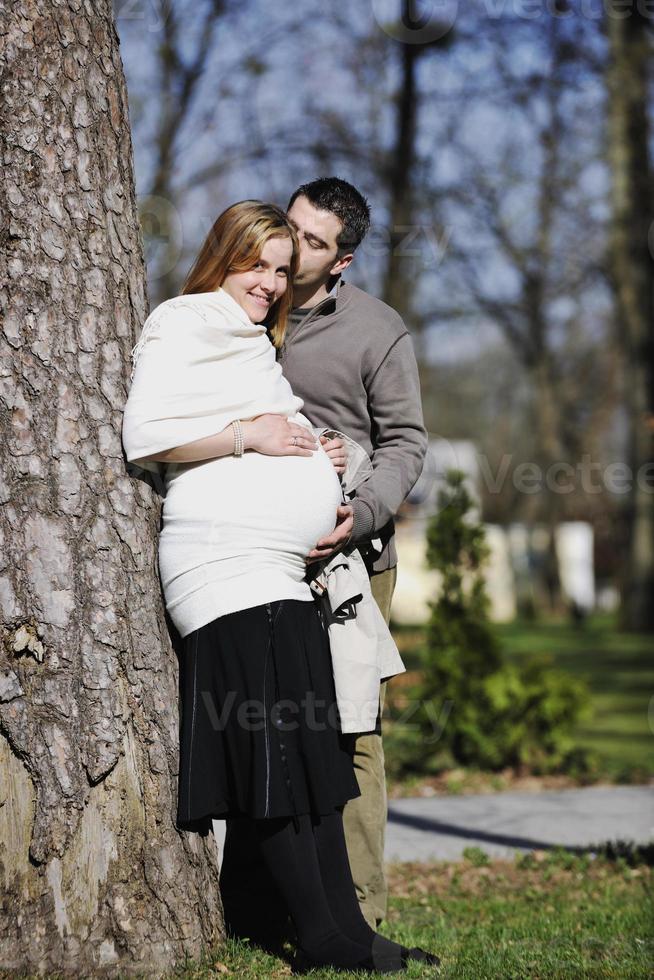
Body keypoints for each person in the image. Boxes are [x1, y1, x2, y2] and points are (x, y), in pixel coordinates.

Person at [121, 201, 439, 974]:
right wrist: (251, 437)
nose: (270, 280)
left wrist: (319, 454)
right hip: (225, 570)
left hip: (286, 571)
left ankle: (351, 931)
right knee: (276, 758)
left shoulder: (258, 336)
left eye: (278, 267)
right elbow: (145, 434)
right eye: (255, 264)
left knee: (316, 759)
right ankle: (319, 936)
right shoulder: (184, 317)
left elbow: (301, 425)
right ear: (221, 258)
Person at [220, 178, 429, 939]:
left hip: (346, 560)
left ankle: (361, 919)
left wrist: (360, 509)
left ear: (341, 262)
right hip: (247, 554)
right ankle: (246, 911)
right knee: (254, 722)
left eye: (313, 242)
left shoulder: (377, 330)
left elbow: (407, 441)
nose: (294, 246)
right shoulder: (237, 304)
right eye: (293, 226)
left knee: (349, 733)